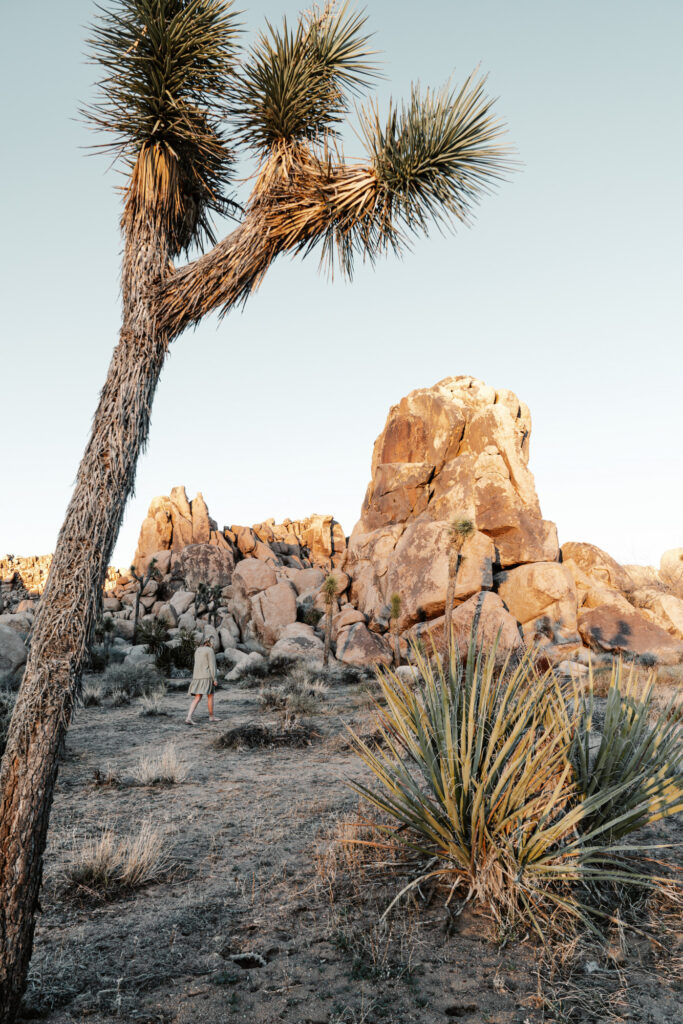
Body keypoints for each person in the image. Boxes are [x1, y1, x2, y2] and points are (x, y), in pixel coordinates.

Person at [186, 639, 218, 725]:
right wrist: (215, 678)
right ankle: (211, 717)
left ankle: (188, 717)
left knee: (197, 698)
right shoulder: (210, 650)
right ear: (210, 643)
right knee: (210, 696)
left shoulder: (197, 650)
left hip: (197, 677)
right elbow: (212, 665)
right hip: (207, 677)